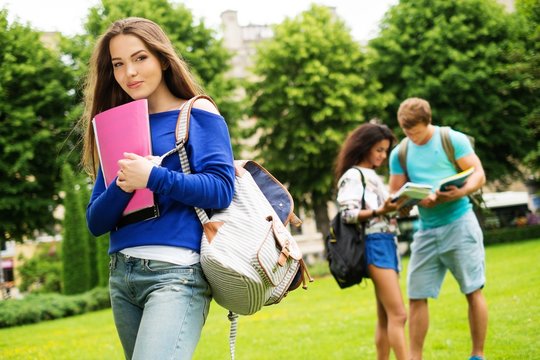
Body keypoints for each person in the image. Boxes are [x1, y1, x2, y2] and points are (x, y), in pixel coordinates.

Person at [80, 17, 235, 359]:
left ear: (162, 59)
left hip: (175, 274)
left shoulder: (197, 111)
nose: (129, 72)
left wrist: (152, 177)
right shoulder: (116, 124)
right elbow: (95, 221)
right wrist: (125, 183)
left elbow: (222, 188)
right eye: (118, 64)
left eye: (140, 58)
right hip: (122, 277)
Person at [388, 97, 487, 360]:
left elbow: (478, 174)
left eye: (416, 132)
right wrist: (405, 202)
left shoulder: (451, 139)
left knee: (472, 289)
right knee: (416, 294)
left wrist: (460, 192)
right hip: (426, 230)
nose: (412, 137)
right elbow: (394, 194)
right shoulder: (400, 153)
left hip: (460, 223)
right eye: (406, 132)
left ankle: (477, 354)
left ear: (427, 121)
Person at [334, 123, 408, 360]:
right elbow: (348, 214)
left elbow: (381, 209)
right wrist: (379, 211)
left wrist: (399, 208)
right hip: (373, 243)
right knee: (399, 314)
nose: (383, 156)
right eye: (378, 150)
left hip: (387, 241)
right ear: (364, 147)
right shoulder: (353, 176)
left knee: (387, 316)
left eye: (385, 151)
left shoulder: (372, 175)